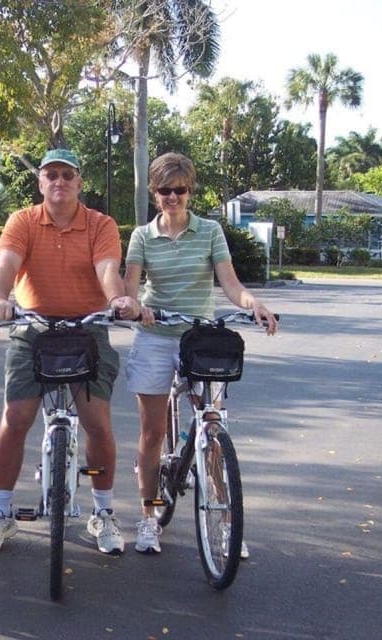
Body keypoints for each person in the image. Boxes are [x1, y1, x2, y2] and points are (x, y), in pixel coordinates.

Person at [0, 148, 140, 556]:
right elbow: (6, 265)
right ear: (41, 182)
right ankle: (1, 512)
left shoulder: (100, 224)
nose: (60, 181)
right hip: (34, 328)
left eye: (68, 175)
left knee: (97, 423)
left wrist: (116, 300)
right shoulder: (23, 221)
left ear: (79, 182)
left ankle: (104, 512)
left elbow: (107, 270)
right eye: (52, 175)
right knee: (16, 418)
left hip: (87, 328)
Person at [124, 151, 278, 556]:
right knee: (152, 434)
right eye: (165, 190)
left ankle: (227, 524)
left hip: (199, 338)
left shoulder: (209, 231)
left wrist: (254, 305)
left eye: (180, 190)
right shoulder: (142, 237)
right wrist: (136, 307)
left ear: (190, 191)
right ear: (154, 193)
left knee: (212, 424)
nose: (172, 197)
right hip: (156, 336)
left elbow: (231, 284)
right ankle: (148, 516)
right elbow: (129, 290)